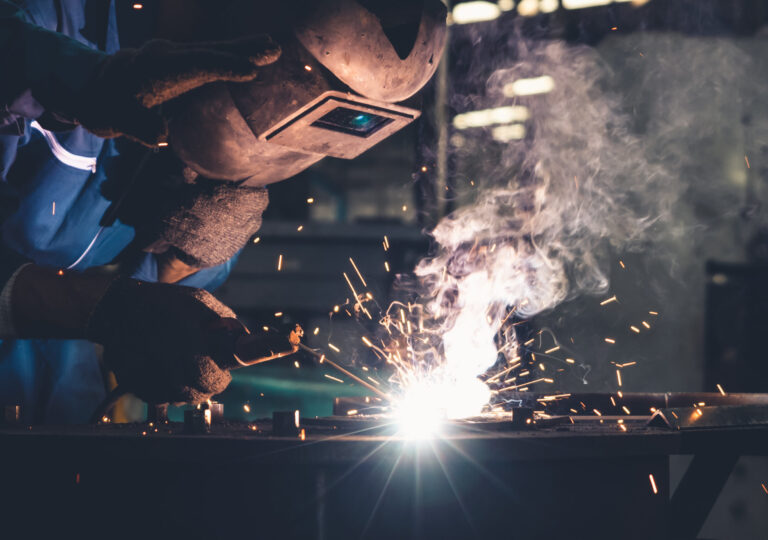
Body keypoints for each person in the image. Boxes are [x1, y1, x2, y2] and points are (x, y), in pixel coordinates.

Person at [0, 0, 448, 424]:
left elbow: (147, 314)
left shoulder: (223, 187)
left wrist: (182, 262)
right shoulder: (49, 20)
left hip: (66, 416)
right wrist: (71, 75)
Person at [0, 0, 279, 422]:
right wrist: (76, 76)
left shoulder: (238, 76)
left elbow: (149, 285)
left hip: (70, 398)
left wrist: (188, 256)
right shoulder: (45, 17)